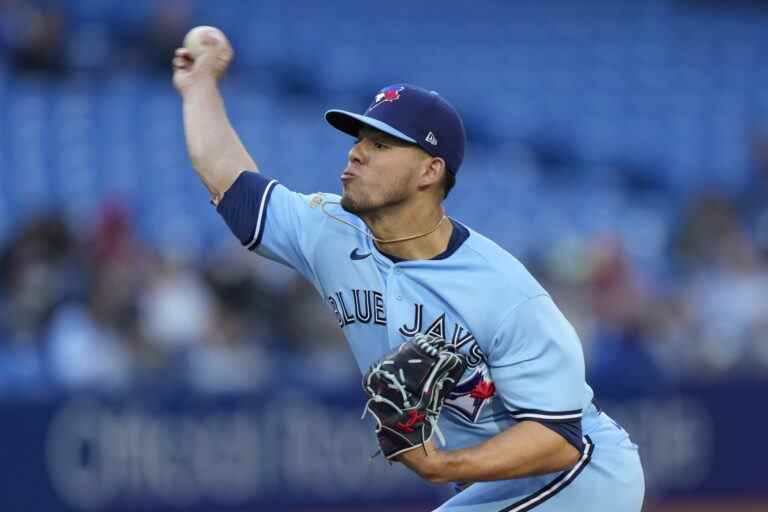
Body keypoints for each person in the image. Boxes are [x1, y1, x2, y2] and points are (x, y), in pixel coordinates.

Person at [172, 30, 645, 512]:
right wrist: (199, 87)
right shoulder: (329, 230)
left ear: (429, 172)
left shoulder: (501, 289)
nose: (356, 153)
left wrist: (441, 466)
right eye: (359, 140)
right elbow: (230, 180)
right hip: (495, 483)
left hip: (580, 472)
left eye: (381, 145)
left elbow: (558, 437)